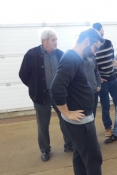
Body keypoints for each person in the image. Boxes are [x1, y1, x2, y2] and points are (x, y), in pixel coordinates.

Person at [50, 28, 117, 175]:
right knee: (93, 155)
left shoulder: (76, 58)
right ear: (87, 42)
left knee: (79, 151)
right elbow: (56, 88)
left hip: (80, 118)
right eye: (95, 47)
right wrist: (66, 112)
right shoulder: (70, 58)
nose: (96, 52)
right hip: (79, 120)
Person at [19, 29, 73, 162]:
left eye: (56, 39)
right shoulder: (32, 54)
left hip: (59, 95)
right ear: (44, 41)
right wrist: (35, 87)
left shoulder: (60, 54)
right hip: (41, 96)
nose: (56, 42)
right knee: (43, 124)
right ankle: (45, 150)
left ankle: (69, 145)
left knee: (65, 119)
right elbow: (23, 75)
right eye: (53, 40)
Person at [92, 23, 117, 137]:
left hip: (113, 79)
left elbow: (112, 60)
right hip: (103, 82)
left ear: (102, 31)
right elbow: (93, 66)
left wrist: (116, 75)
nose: (99, 34)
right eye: (96, 32)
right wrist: (99, 79)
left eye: (100, 31)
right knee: (105, 105)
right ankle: (108, 127)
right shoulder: (93, 46)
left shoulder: (108, 43)